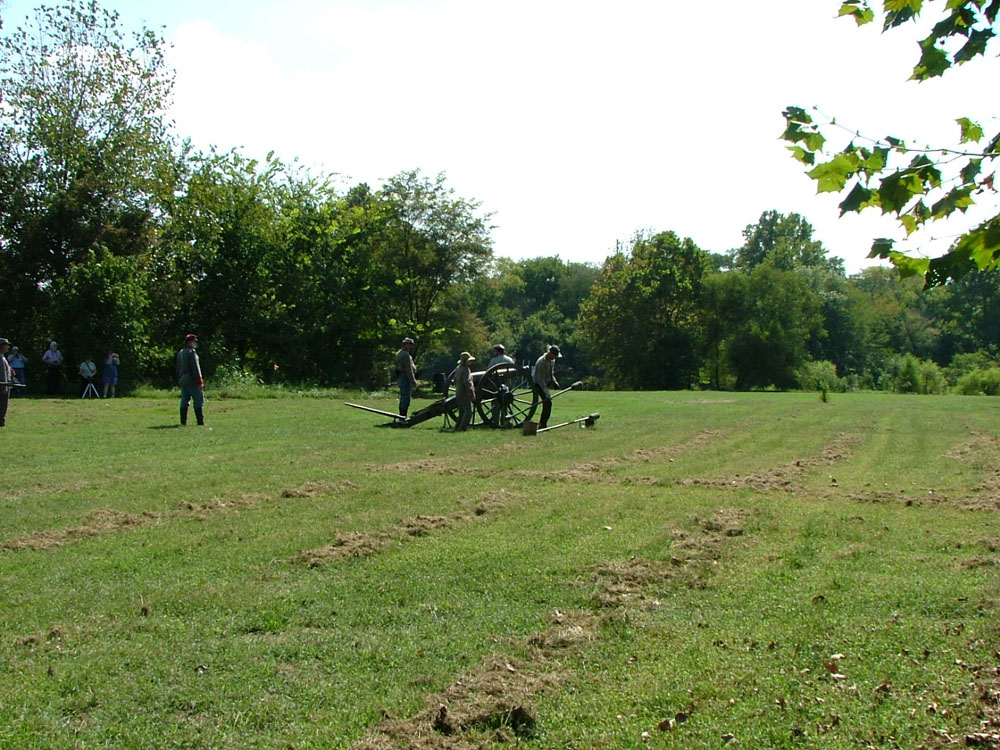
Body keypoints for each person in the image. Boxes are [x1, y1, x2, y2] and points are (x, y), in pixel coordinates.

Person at [176, 333, 205, 426]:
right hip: (192, 380)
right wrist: (199, 381)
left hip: (183, 380)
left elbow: (178, 368)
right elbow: (196, 368)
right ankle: (200, 421)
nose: (195, 343)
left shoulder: (180, 352)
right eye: (193, 342)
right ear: (189, 342)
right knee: (198, 400)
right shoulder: (191, 353)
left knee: (184, 400)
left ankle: (183, 421)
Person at [532, 345, 562, 429]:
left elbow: (551, 373)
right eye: (555, 355)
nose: (555, 357)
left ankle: (543, 423)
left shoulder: (552, 361)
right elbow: (540, 379)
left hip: (546, 382)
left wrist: (555, 382)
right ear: (550, 353)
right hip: (538, 384)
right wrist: (546, 393)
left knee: (548, 403)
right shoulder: (541, 362)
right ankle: (542, 424)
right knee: (548, 402)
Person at [451, 351, 476, 431]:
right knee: (468, 412)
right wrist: (472, 393)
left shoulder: (458, 368)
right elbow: (467, 382)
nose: (470, 363)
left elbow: (454, 380)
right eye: (469, 361)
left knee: (461, 411)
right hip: (464, 392)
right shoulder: (465, 370)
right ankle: (462, 427)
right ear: (466, 361)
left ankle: (458, 425)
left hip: (458, 391)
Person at [395, 337, 419, 417]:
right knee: (406, 398)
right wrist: (413, 381)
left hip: (402, 377)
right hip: (405, 378)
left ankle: (402, 416)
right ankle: (403, 416)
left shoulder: (400, 353)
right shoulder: (405, 355)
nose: (411, 346)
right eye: (410, 344)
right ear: (405, 344)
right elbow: (409, 369)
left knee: (404, 397)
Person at [0, 338, 13, 426]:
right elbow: (2, 373)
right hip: (2, 386)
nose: (8, 347)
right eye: (6, 345)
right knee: (2, 404)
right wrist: (4, 387)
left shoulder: (2, 356)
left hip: (5, 385)